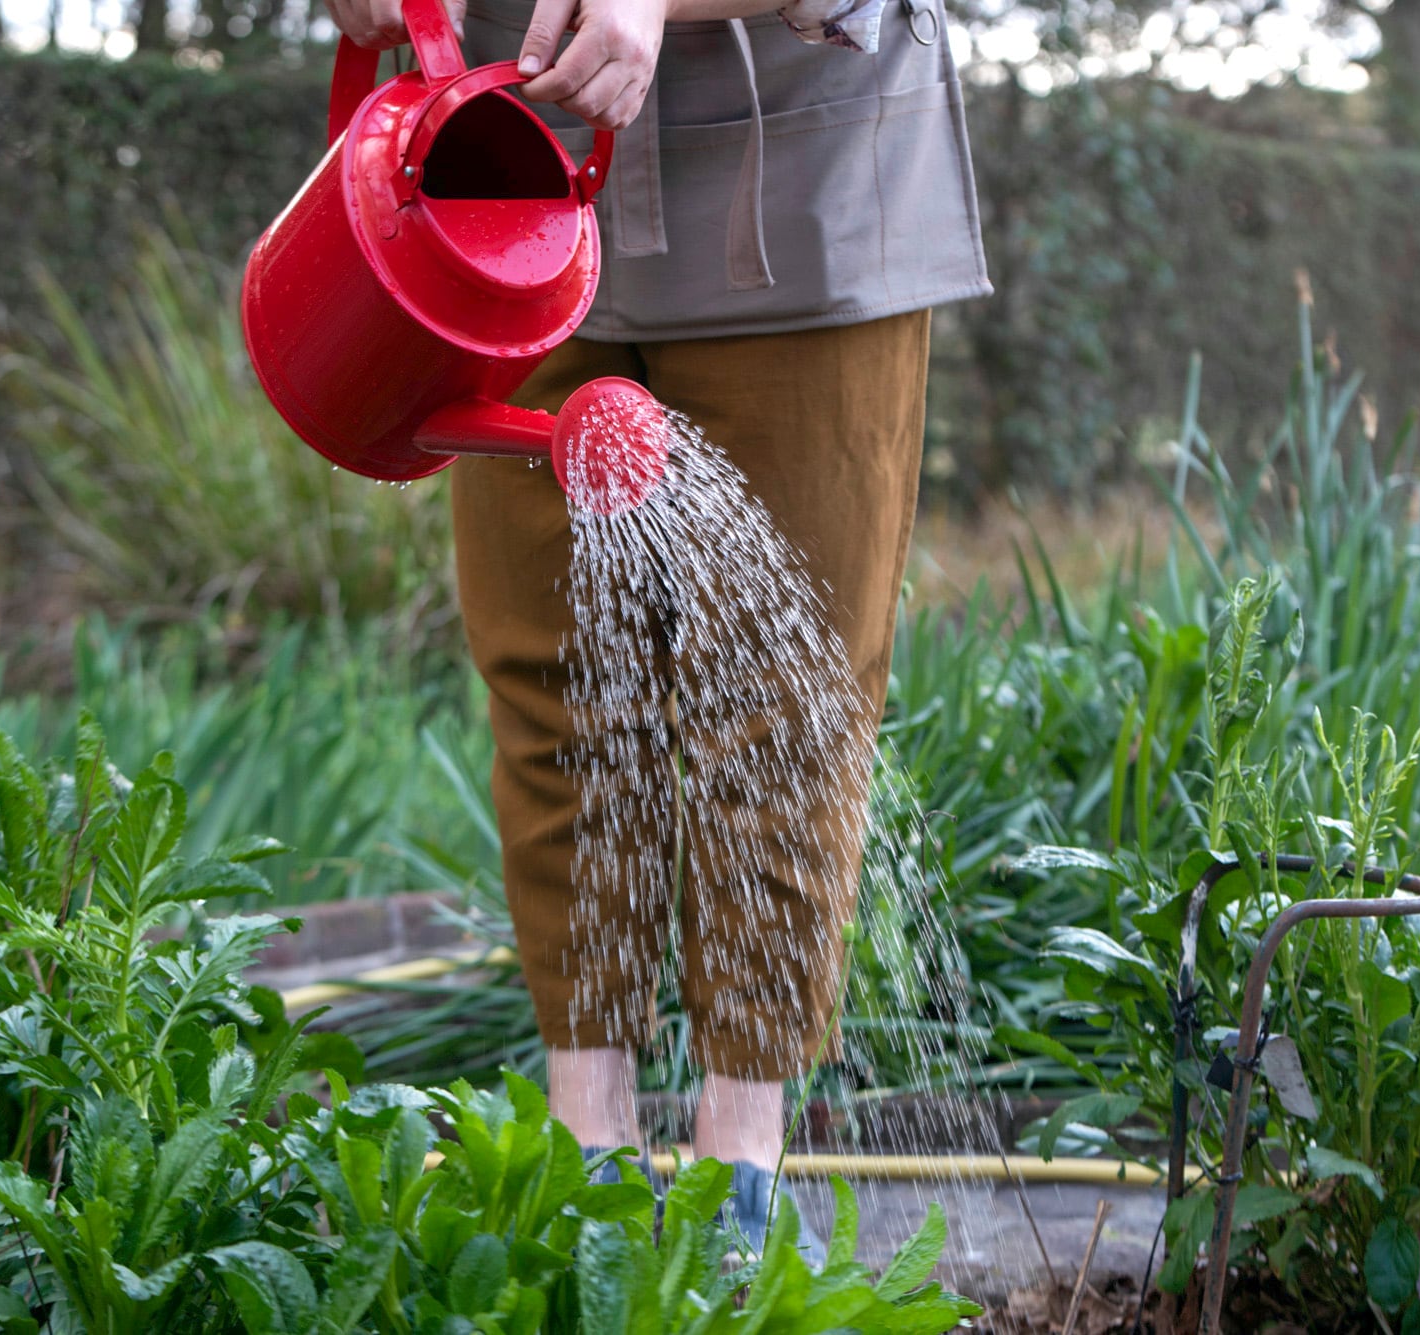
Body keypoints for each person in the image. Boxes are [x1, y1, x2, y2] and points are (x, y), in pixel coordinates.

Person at [328, 0, 989, 1255]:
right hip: (497, 187)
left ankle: (738, 1162)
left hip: (802, 202)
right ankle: (584, 1153)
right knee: (553, 686)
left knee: (777, 703)